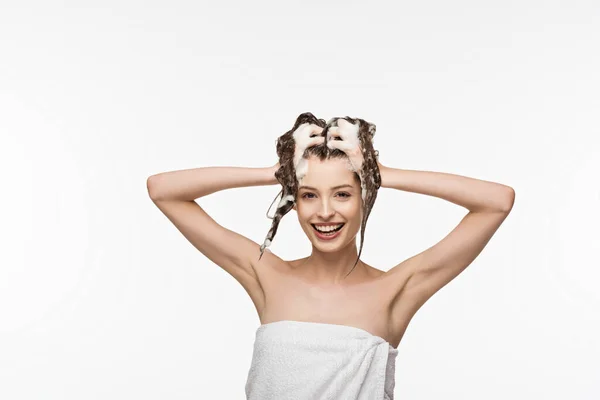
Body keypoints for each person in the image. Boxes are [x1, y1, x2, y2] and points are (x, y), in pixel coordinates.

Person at [147, 112, 515, 399]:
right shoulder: (266, 274)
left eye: (342, 194)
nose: (325, 212)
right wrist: (273, 172)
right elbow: (163, 190)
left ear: (364, 198)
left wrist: (380, 173)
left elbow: (496, 202)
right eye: (309, 195)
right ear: (293, 200)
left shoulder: (395, 289)